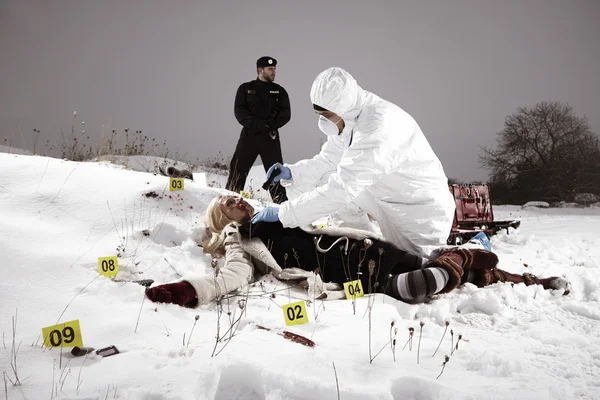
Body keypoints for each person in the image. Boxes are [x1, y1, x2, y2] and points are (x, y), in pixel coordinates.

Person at [145, 195, 570, 308]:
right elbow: (231, 275)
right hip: (343, 266)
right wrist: (189, 290)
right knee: (419, 276)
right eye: (226, 203)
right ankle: (453, 264)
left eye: (236, 195)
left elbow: (331, 208)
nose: (236, 199)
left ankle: (529, 280)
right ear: (224, 221)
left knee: (448, 271)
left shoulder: (284, 210)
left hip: (369, 245)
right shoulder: (244, 240)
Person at [253, 67, 456, 259]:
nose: (323, 122)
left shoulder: (377, 125)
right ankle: (359, 246)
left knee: (422, 262)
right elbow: (329, 160)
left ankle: (470, 250)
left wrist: (284, 214)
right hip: (386, 198)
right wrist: (292, 173)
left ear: (341, 107)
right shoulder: (348, 120)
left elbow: (343, 188)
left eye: (326, 115)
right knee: (327, 180)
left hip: (418, 213)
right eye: (319, 115)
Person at [225, 56, 291, 204]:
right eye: (270, 69)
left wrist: (268, 126)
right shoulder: (245, 89)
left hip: (270, 138)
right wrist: (257, 125)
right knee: (237, 170)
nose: (273, 71)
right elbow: (239, 112)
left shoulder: (280, 91)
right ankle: (229, 206)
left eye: (274, 69)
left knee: (275, 173)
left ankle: (282, 210)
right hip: (249, 137)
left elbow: (286, 115)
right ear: (260, 70)